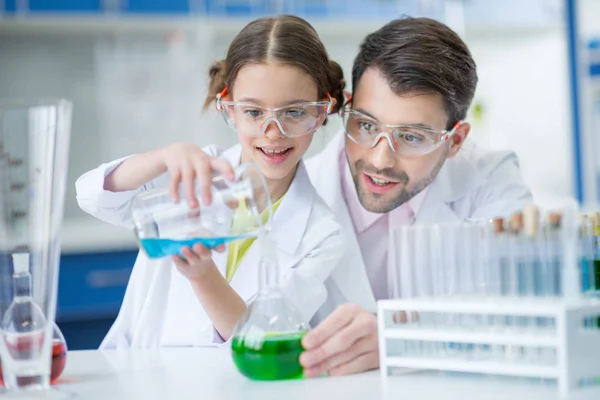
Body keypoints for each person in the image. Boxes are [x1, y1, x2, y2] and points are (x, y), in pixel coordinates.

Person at [75, 15, 347, 349]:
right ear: (229, 109)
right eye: (253, 112)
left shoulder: (322, 235)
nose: (273, 131)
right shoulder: (192, 171)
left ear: (322, 111)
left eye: (294, 112)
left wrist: (203, 276)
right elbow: (92, 196)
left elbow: (261, 337)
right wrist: (162, 157)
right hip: (141, 375)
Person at [298, 17, 533, 377]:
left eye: (411, 137)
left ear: (455, 141)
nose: (379, 159)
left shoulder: (488, 179)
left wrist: (402, 335)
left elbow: (528, 301)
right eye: (365, 125)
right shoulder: (301, 191)